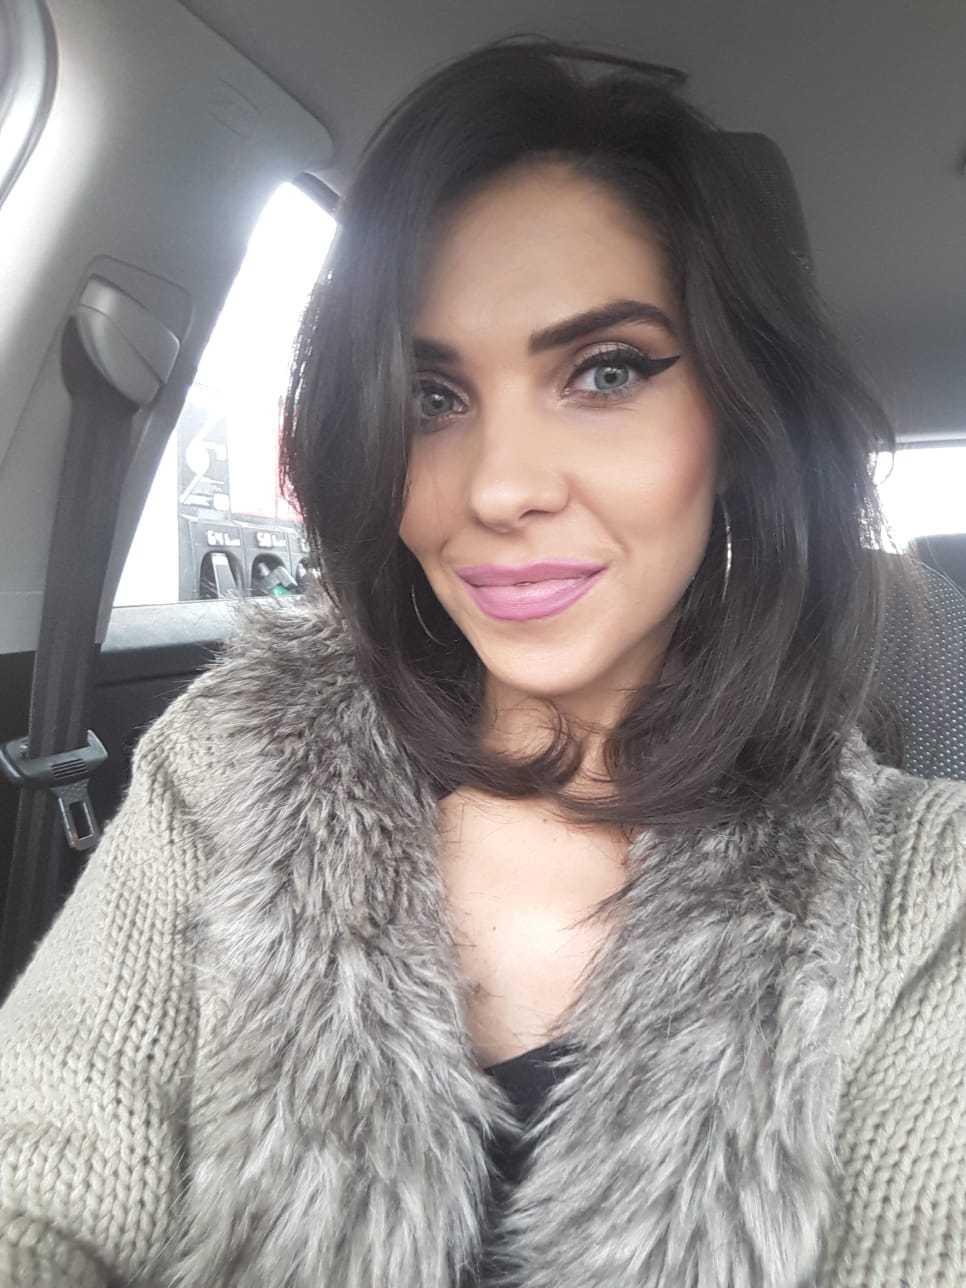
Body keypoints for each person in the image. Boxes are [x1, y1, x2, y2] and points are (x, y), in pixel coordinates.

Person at [1, 36, 963, 1288]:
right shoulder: (225, 770)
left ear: (736, 424)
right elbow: (39, 1187)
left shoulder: (924, 894)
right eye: (433, 397)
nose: (499, 489)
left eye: (605, 372)